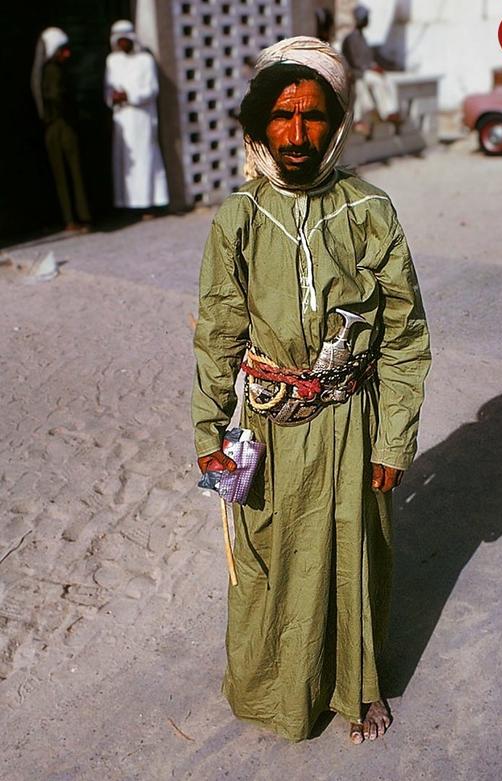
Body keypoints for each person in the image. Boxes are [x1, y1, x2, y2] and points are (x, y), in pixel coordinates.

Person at [191, 36, 431, 744]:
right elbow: (218, 332)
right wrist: (208, 433)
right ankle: (278, 693)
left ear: (336, 123)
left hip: (351, 421)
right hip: (266, 424)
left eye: (313, 116)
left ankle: (356, 689)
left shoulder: (368, 209)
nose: (297, 135)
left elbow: (404, 334)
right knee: (267, 558)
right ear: (259, 122)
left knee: (352, 556)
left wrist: (393, 438)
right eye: (282, 115)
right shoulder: (238, 216)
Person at [104, 20, 168, 217]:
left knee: (145, 159)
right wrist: (113, 97)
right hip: (122, 118)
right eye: (119, 40)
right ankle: (128, 205)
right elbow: (107, 89)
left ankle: (148, 204)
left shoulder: (145, 60)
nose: (122, 44)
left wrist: (129, 95)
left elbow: (152, 89)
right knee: (125, 163)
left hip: (142, 119)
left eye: (125, 40)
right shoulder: (112, 61)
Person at [31, 27, 91, 233]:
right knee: (71, 172)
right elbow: (56, 96)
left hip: (54, 126)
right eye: (63, 50)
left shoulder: (50, 71)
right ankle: (78, 217)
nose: (67, 54)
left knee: (64, 174)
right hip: (61, 125)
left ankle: (72, 217)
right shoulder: (53, 71)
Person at [342, 5, 400, 134]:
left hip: (366, 71)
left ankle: (392, 111)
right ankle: (387, 112)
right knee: (377, 81)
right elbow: (355, 63)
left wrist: (378, 67)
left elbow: (370, 58)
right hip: (359, 74)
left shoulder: (362, 38)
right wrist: (370, 68)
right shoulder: (351, 39)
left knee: (389, 80)